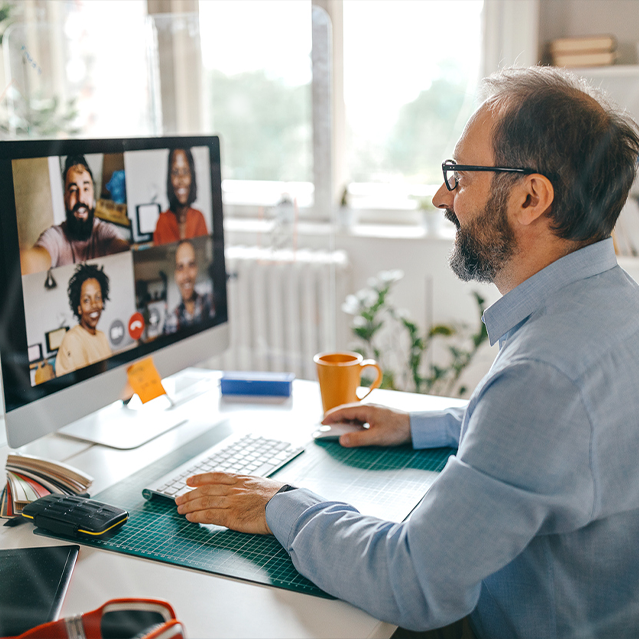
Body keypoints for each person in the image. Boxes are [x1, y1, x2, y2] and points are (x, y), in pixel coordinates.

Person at [174, 66, 639, 639]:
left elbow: (412, 583)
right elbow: (557, 440)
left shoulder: (544, 375)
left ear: (529, 197)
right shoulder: (614, 308)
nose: (442, 196)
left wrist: (280, 505)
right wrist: (422, 424)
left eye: (460, 176)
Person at [21, 155, 129, 275]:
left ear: (93, 194)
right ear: (64, 199)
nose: (81, 198)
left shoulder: (105, 232)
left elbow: (122, 250)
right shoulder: (55, 238)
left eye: (86, 188)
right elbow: (37, 259)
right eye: (73, 190)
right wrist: (24, 261)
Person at [55, 263, 112, 377]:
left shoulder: (102, 336)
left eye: (97, 297)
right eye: (86, 300)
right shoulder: (72, 339)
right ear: (79, 308)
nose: (94, 304)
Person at [153, 148, 208, 246]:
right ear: (170, 178)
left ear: (192, 176)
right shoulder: (162, 221)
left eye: (185, 172)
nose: (181, 179)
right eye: (176, 172)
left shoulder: (199, 218)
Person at [163, 240, 215, 334]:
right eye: (180, 267)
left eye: (191, 265)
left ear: (196, 269)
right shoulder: (170, 321)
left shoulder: (212, 303)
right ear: (175, 275)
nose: (186, 276)